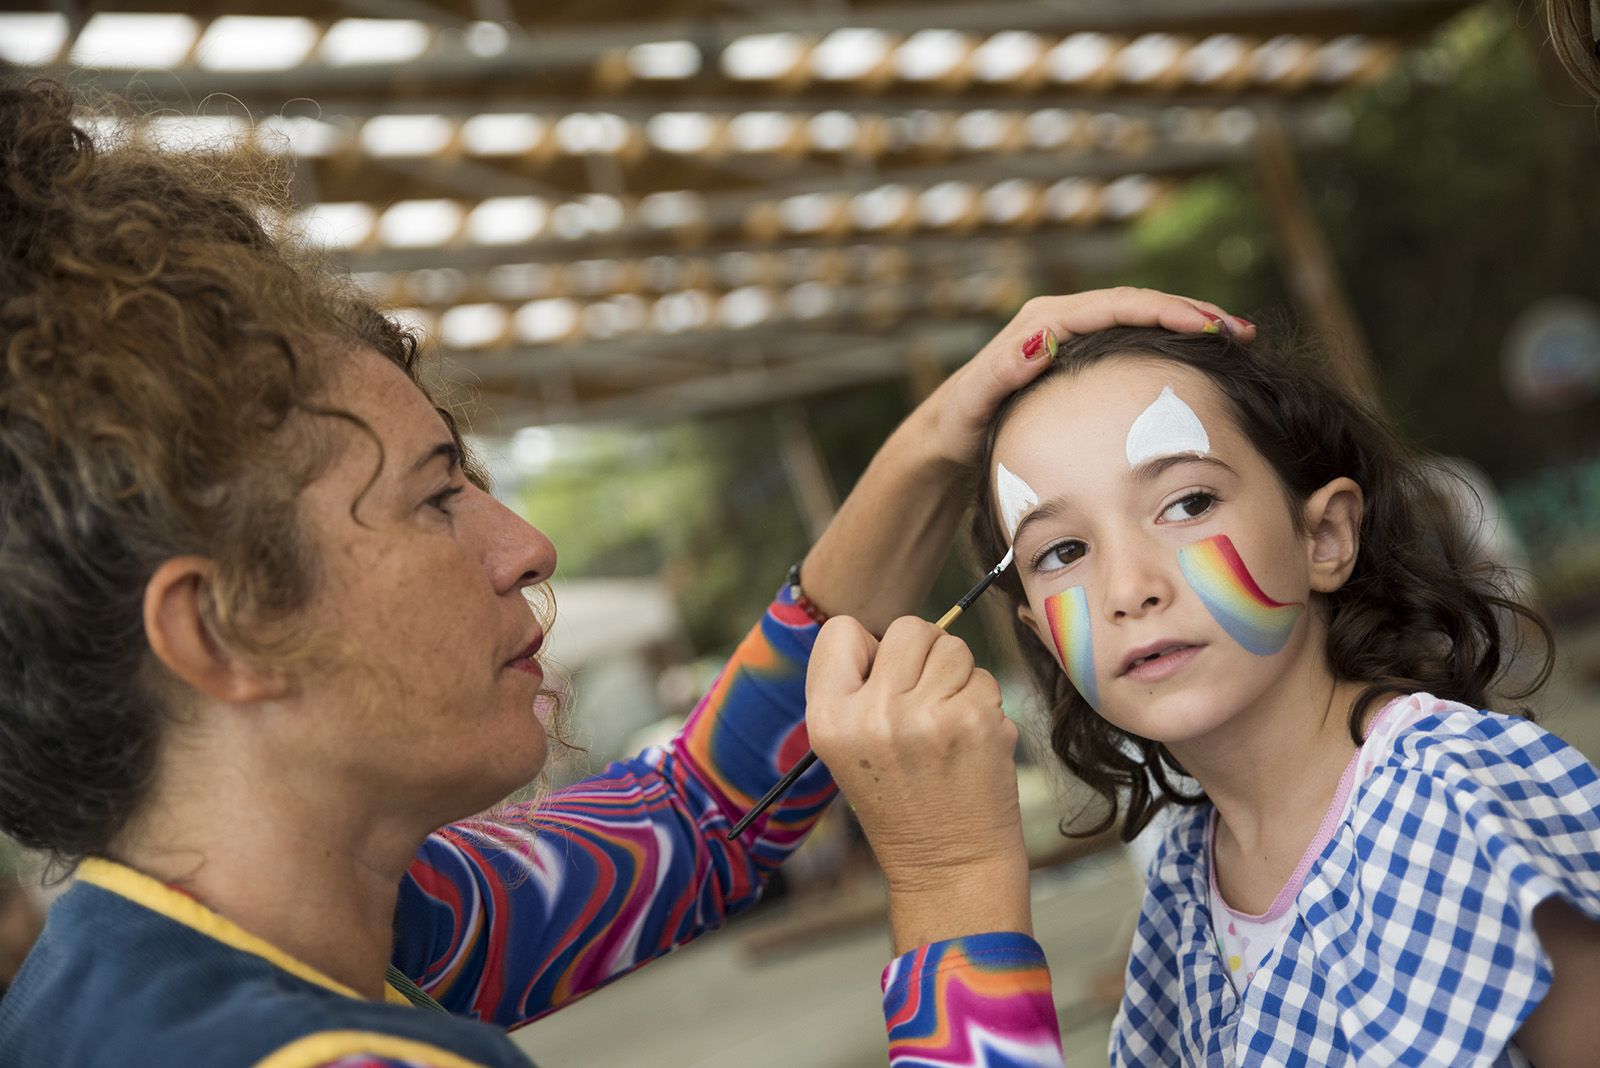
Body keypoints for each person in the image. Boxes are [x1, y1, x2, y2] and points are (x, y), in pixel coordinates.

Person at [0, 79, 1249, 1067]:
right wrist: (954, 889)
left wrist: (937, 442)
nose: (524, 546)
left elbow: (696, 817)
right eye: (437, 496)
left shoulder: (292, 935)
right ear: (218, 631)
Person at [846, 324, 1600, 1065]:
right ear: (1039, 636)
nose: (1129, 588)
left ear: (1325, 537)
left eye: (1188, 504)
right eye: (1064, 551)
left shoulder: (1458, 800)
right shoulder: (1184, 884)